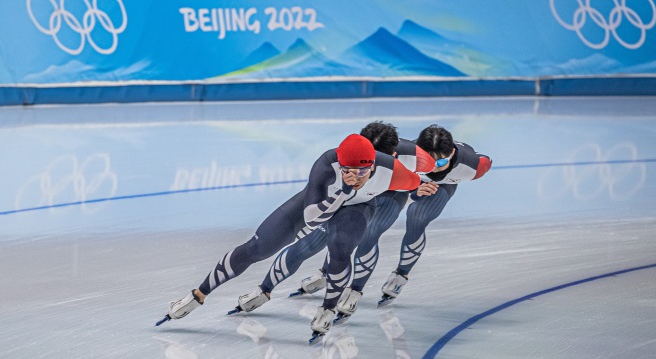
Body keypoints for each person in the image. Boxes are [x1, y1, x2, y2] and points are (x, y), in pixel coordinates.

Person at [156, 127, 436, 343]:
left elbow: (414, 183)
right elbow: (313, 217)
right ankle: (197, 295)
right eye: (349, 171)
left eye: (363, 171)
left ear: (373, 164)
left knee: (340, 248)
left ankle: (327, 308)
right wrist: (345, 191)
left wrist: (416, 190)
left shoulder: (391, 170)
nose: (356, 176)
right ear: (340, 164)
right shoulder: (326, 165)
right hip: (320, 205)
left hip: (357, 209)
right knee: (257, 248)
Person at [240, 124, 492, 322]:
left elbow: (420, 186)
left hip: (417, 189)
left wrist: (420, 191)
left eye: (442, 162)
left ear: (453, 155)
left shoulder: (473, 167)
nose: (435, 166)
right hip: (385, 184)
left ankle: (382, 281)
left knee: (409, 220)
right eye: (431, 160)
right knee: (318, 236)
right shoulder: (407, 156)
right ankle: (274, 286)